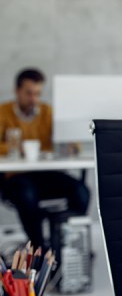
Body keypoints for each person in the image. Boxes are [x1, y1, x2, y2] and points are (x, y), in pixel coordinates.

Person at [0, 68, 90, 249]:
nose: (34, 98)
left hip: (46, 174)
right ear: (17, 91)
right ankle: (39, 248)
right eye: (29, 93)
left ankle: (67, 243)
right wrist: (18, 149)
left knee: (81, 192)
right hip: (16, 177)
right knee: (26, 193)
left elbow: (71, 141)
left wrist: (70, 146)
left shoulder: (48, 112)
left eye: (38, 93)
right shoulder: (3, 112)